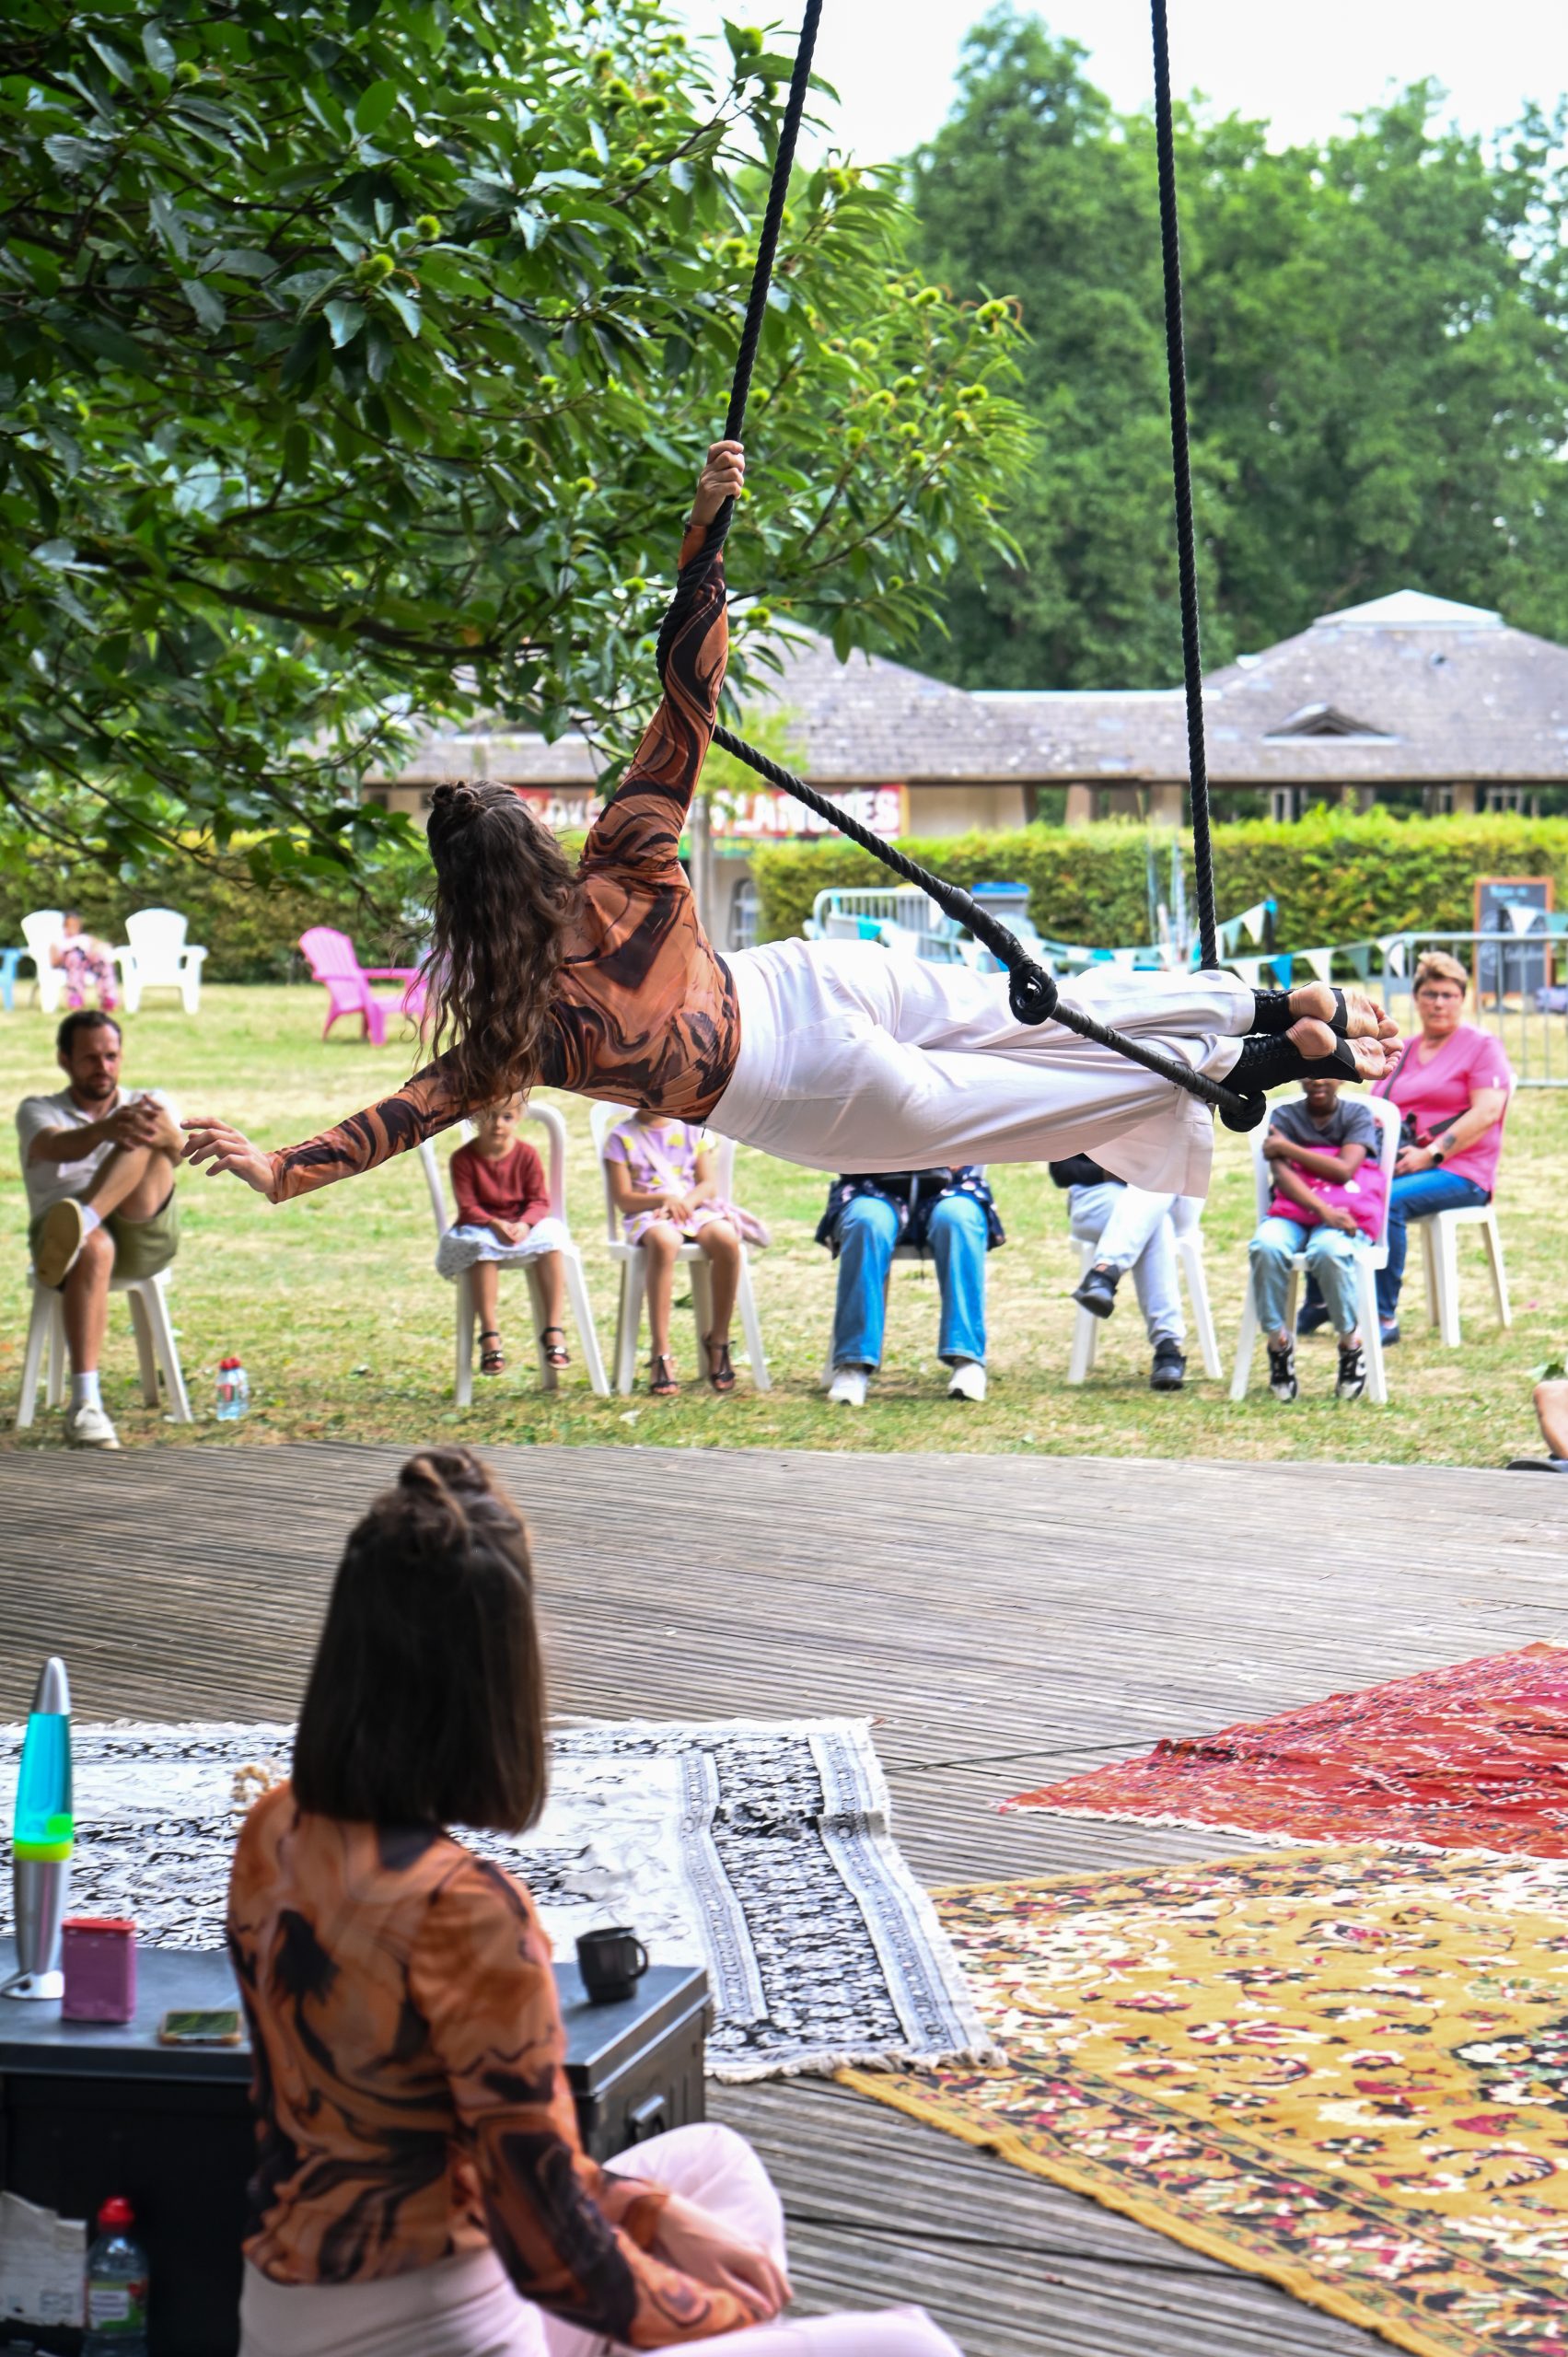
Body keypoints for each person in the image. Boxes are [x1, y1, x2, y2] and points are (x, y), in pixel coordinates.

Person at [181, 443, 1397, 1218]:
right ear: (537, 848)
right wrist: (703, 536)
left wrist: (281, 1167)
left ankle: (1254, 1059)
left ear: (461, 907)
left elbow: (405, 1114)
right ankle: (1246, 1000)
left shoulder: (520, 1029)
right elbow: (686, 698)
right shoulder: (622, 858)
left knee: (1035, 1102)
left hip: (793, 1087)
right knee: (1035, 1008)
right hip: (814, 980)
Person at [228, 1446, 961, 2357]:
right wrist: (716, 2317)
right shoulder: (463, 1909)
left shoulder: (274, 1826)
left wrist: (653, 2217)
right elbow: (552, 2254)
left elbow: (495, 2158)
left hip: (289, 2309)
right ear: (491, 1680)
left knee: (708, 2169)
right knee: (908, 2347)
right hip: (443, 2326)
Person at [1298, 951, 1510, 1346]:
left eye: (1448, 995)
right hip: (1395, 1163)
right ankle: (1321, 1298)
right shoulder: (1405, 1048)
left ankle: (1382, 1315)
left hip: (1460, 1171)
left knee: (1388, 1201)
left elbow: (1487, 1112)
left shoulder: (1482, 1046)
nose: (1438, 1003)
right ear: (1416, 998)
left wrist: (1432, 1154)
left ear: (1462, 999)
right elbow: (1375, 1109)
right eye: (1430, 994)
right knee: (1329, 1185)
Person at [15, 1011, 182, 1450]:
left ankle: (85, 1219)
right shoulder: (38, 1109)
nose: (103, 1067)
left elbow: (183, 1151)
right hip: (61, 1240)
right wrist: (105, 1129)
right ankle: (86, 1404)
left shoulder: (148, 1101)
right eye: (90, 1058)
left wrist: (161, 1133)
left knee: (146, 1128)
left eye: (111, 1056)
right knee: (92, 1247)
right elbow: (53, 1145)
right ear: (64, 1060)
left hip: (142, 1229)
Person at [1248, 1075, 1384, 1404]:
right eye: (1310, 1072)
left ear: (1342, 1078)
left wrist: (1287, 1148)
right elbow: (1283, 1176)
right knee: (1265, 1245)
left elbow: (1343, 1170)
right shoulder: (1284, 1116)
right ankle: (1278, 1343)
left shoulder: (1356, 1115)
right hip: (1293, 1214)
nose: (1318, 1080)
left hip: (1344, 1217)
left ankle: (1350, 1343)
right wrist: (1323, 1210)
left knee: (1329, 1250)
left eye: (1327, 1072)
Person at [603, 1111, 759, 1397]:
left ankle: (719, 1338)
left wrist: (686, 1202)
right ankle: (660, 1348)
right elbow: (624, 1200)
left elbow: (707, 1184)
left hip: (693, 1210)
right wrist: (664, 1199)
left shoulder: (693, 1130)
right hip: (650, 1214)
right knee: (664, 1241)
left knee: (726, 1239)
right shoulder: (620, 1138)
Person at [819, 1167, 1002, 1406]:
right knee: (867, 1222)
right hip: (870, 1185)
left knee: (958, 1219)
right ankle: (853, 1364)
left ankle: (967, 1360)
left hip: (951, 1186)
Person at [436, 1100, 572, 1376]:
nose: (497, 1125)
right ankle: (490, 1333)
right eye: (489, 1117)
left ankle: (553, 1328)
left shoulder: (527, 1155)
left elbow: (539, 1200)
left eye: (507, 1117)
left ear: (519, 1118)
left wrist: (525, 1224)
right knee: (480, 1250)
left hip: (522, 1225)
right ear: (475, 1118)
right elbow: (468, 1206)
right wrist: (495, 1223)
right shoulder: (463, 1159)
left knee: (553, 1240)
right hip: (483, 1226)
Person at [1051, 1156, 1191, 1393]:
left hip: (1169, 1195)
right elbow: (1062, 1170)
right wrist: (1109, 1172)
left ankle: (1104, 1273)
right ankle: (1167, 1347)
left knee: (1160, 1181)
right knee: (1156, 1222)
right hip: (1100, 1196)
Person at [52, 911, 119, 1012]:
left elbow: (104, 946)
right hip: (71, 968)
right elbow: (54, 962)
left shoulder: (84, 938)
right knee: (74, 956)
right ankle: (75, 999)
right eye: (70, 925)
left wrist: (95, 949)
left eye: (76, 925)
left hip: (88, 965)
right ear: (65, 926)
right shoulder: (59, 941)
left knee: (103, 961)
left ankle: (108, 1000)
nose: (73, 928)